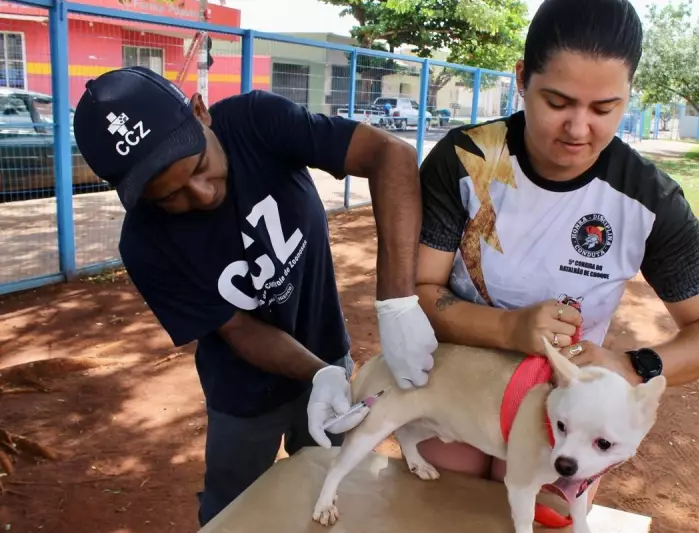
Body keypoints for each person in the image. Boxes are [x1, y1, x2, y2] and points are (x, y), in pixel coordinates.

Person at [413, 0, 699, 517]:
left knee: (543, 512)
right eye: (558, 101)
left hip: (564, 409)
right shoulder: (466, 159)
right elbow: (418, 293)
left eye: (604, 108)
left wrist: (631, 367)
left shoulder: (647, 199)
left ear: (628, 95)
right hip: (457, 377)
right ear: (522, 78)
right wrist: (508, 329)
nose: (578, 128)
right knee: (444, 503)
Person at [72, 66, 437, 526]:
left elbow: (390, 155)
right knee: (232, 510)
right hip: (241, 395)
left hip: (330, 350)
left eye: (200, 167)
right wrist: (318, 373)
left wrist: (397, 303)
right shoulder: (144, 245)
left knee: (337, 488)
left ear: (200, 112)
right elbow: (238, 328)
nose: (202, 195)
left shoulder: (256, 122)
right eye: (171, 197)